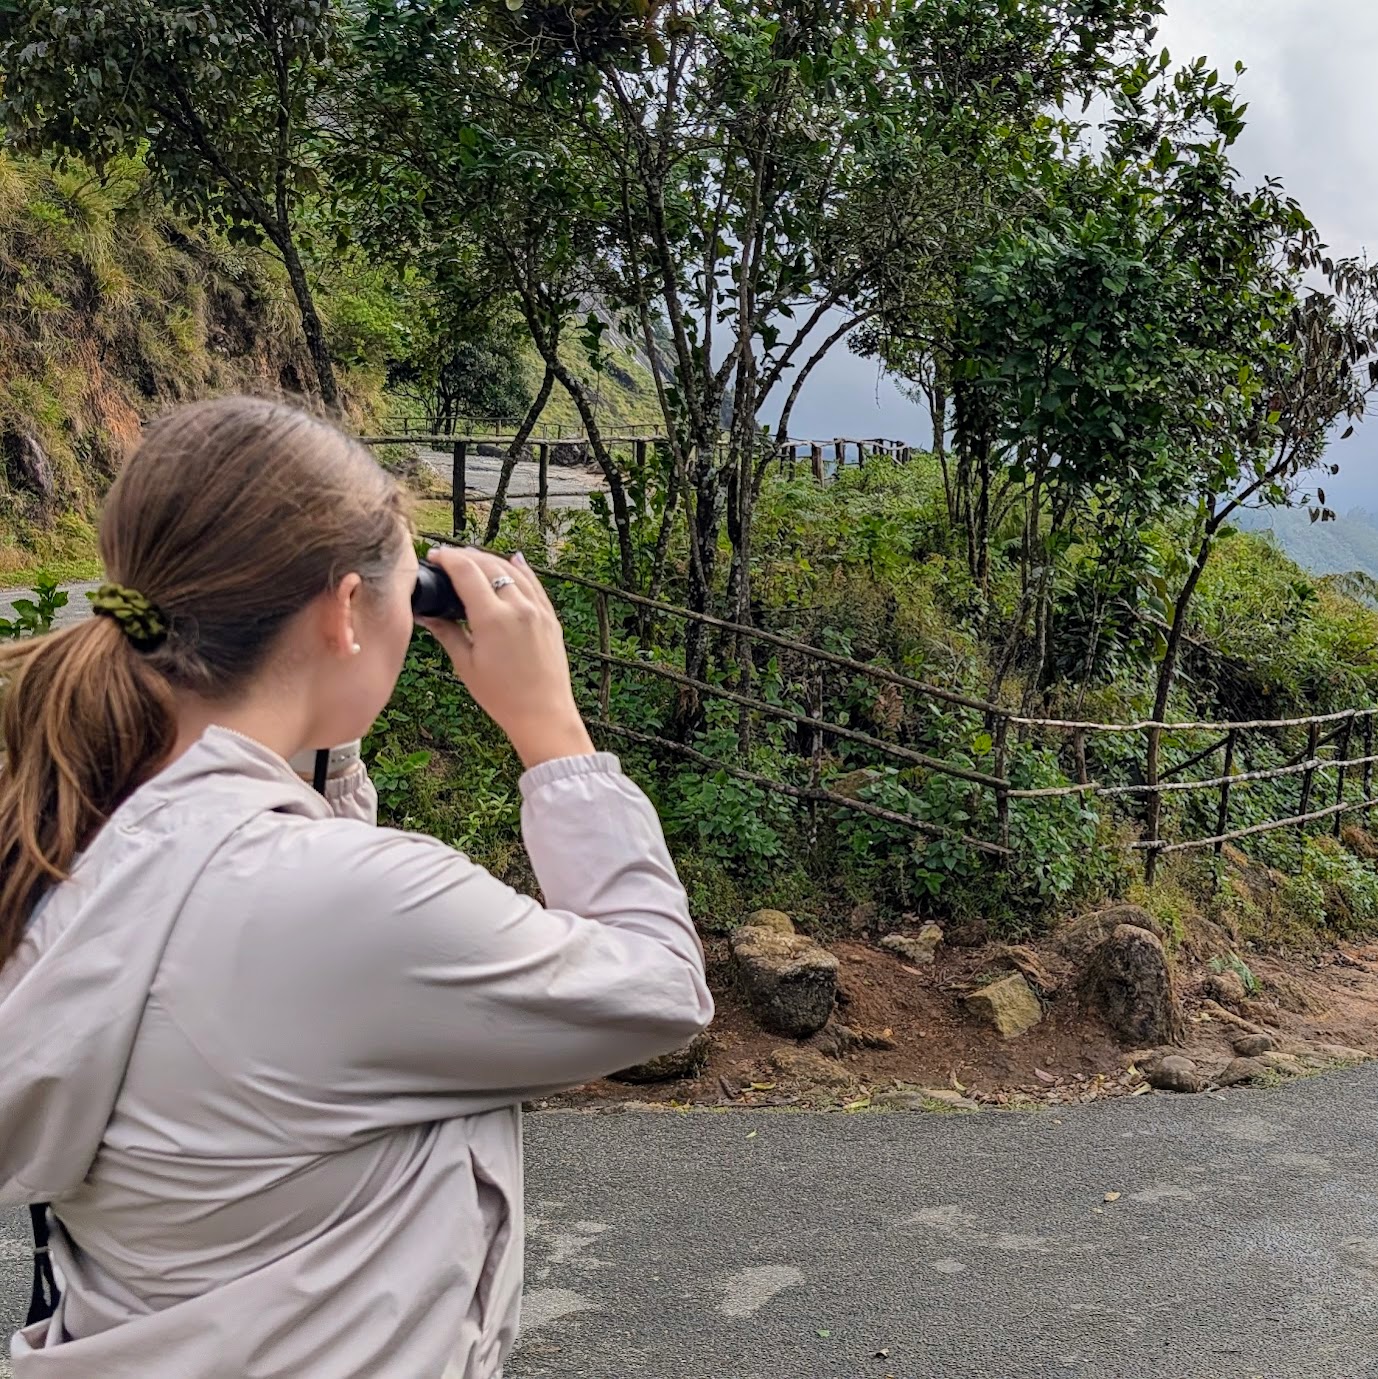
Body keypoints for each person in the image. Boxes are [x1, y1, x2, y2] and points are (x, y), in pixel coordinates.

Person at [0, 396, 713, 1378]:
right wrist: (554, 729)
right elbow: (660, 984)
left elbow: (289, 955)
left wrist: (323, 734)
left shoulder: (68, 839)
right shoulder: (351, 904)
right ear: (343, 609)